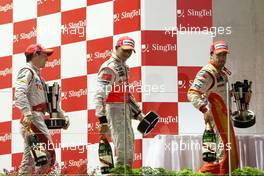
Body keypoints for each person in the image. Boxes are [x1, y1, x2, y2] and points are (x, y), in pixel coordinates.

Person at [15, 44, 69, 175]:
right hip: (32, 119)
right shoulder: (27, 71)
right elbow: (19, 93)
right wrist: (27, 114)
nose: (47, 59)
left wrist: (62, 115)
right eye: (45, 55)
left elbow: (49, 102)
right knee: (48, 156)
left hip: (35, 118)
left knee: (31, 160)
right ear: (35, 55)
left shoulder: (38, 76)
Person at [187, 40, 239, 175]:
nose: (222, 58)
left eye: (224, 55)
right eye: (219, 55)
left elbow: (218, 92)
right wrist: (204, 109)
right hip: (216, 119)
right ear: (211, 54)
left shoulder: (221, 72)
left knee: (219, 157)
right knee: (223, 155)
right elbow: (192, 93)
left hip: (224, 117)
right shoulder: (207, 72)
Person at [94, 36, 141, 167]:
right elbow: (99, 95)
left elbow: (126, 93)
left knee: (128, 145)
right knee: (123, 148)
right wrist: (102, 120)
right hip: (114, 110)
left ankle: (125, 171)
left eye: (130, 51)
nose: (127, 53)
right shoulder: (109, 68)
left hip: (123, 109)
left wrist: (138, 113)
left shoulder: (124, 66)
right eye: (125, 50)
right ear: (116, 48)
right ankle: (121, 173)